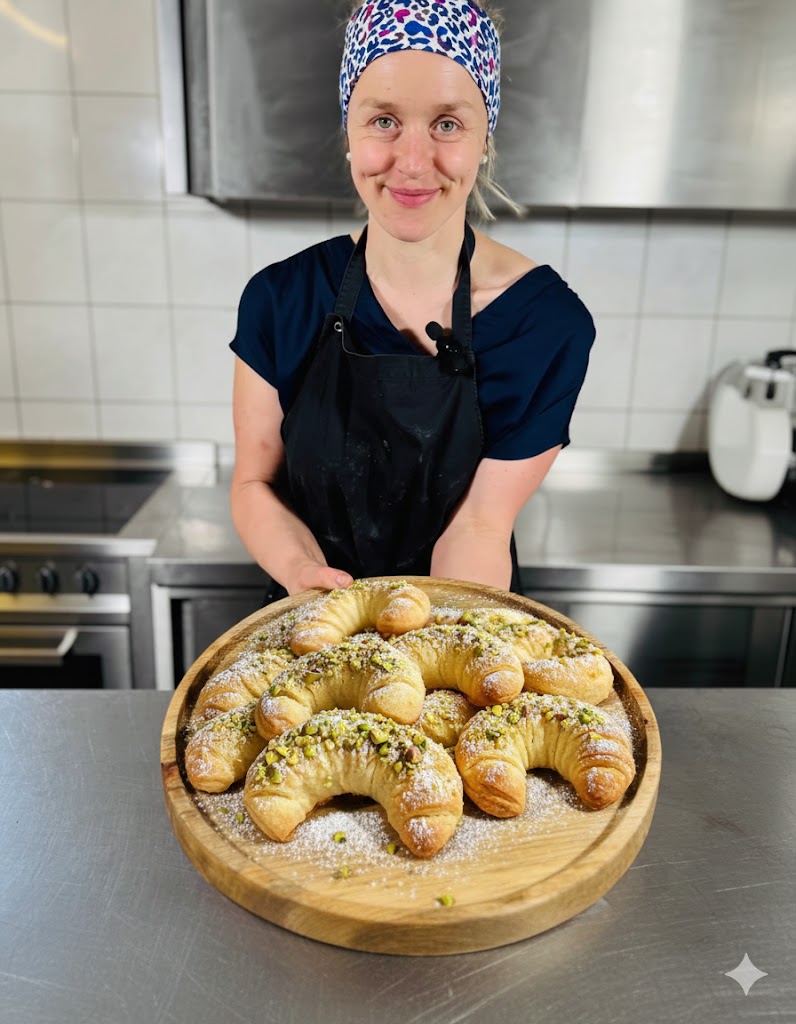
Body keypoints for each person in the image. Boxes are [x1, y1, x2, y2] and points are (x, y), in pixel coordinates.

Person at [229, 0, 595, 602]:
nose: (414, 162)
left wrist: (432, 641)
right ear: (349, 131)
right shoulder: (281, 300)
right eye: (384, 120)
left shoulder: (544, 325)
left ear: (484, 139)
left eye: (448, 124)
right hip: (309, 613)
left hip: (458, 610)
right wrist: (306, 577)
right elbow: (254, 484)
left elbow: (480, 525)